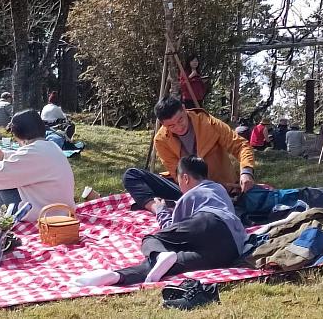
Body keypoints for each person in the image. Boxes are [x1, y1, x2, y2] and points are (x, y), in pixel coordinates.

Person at [75, 156, 246, 287]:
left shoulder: (191, 195)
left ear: (185, 178)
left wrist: (160, 210)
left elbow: (171, 228)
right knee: (174, 264)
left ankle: (158, 255)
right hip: (230, 249)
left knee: (153, 240)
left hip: (210, 222)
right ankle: (117, 276)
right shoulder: (219, 189)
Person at [122, 96, 255, 212]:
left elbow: (241, 146)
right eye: (172, 126)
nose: (179, 127)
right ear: (163, 124)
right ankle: (157, 209)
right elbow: (176, 173)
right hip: (187, 190)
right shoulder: (161, 140)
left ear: (184, 109)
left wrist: (246, 172)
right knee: (131, 175)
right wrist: (190, 190)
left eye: (180, 120)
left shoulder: (209, 123)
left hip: (220, 189)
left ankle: (189, 205)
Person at [0, 109, 75, 222]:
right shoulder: (50, 146)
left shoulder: (33, 152)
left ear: (19, 134)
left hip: (43, 214)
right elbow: (24, 161)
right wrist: (2, 155)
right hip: (60, 211)